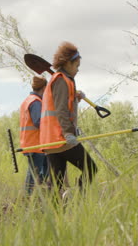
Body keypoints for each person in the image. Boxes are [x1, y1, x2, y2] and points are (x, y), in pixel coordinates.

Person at [40, 41, 98, 195]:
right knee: (90, 168)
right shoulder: (61, 80)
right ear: (67, 63)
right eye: (76, 66)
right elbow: (61, 110)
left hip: (51, 140)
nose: (78, 70)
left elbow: (63, 104)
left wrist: (75, 98)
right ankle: (77, 198)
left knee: (56, 182)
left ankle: (53, 214)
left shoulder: (62, 79)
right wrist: (68, 133)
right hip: (61, 138)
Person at [20, 75, 49, 195]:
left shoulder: (28, 100)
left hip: (32, 143)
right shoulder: (36, 102)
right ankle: (27, 197)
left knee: (46, 168)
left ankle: (37, 192)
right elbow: (38, 122)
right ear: (44, 88)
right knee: (34, 172)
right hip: (35, 144)